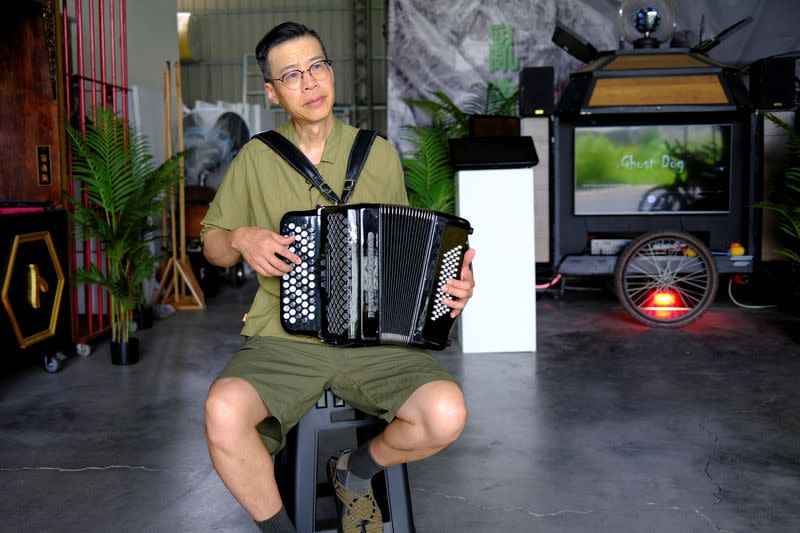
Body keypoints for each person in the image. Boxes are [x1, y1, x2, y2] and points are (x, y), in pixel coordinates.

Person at [201, 21, 475, 533]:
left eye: (317, 66)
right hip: (284, 338)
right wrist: (240, 238)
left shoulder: (378, 153)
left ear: (330, 71)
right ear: (273, 90)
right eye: (291, 74)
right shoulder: (257, 157)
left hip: (374, 339)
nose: (309, 82)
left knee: (445, 412)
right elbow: (212, 244)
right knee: (222, 410)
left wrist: (452, 281)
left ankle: (356, 470)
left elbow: (406, 250)